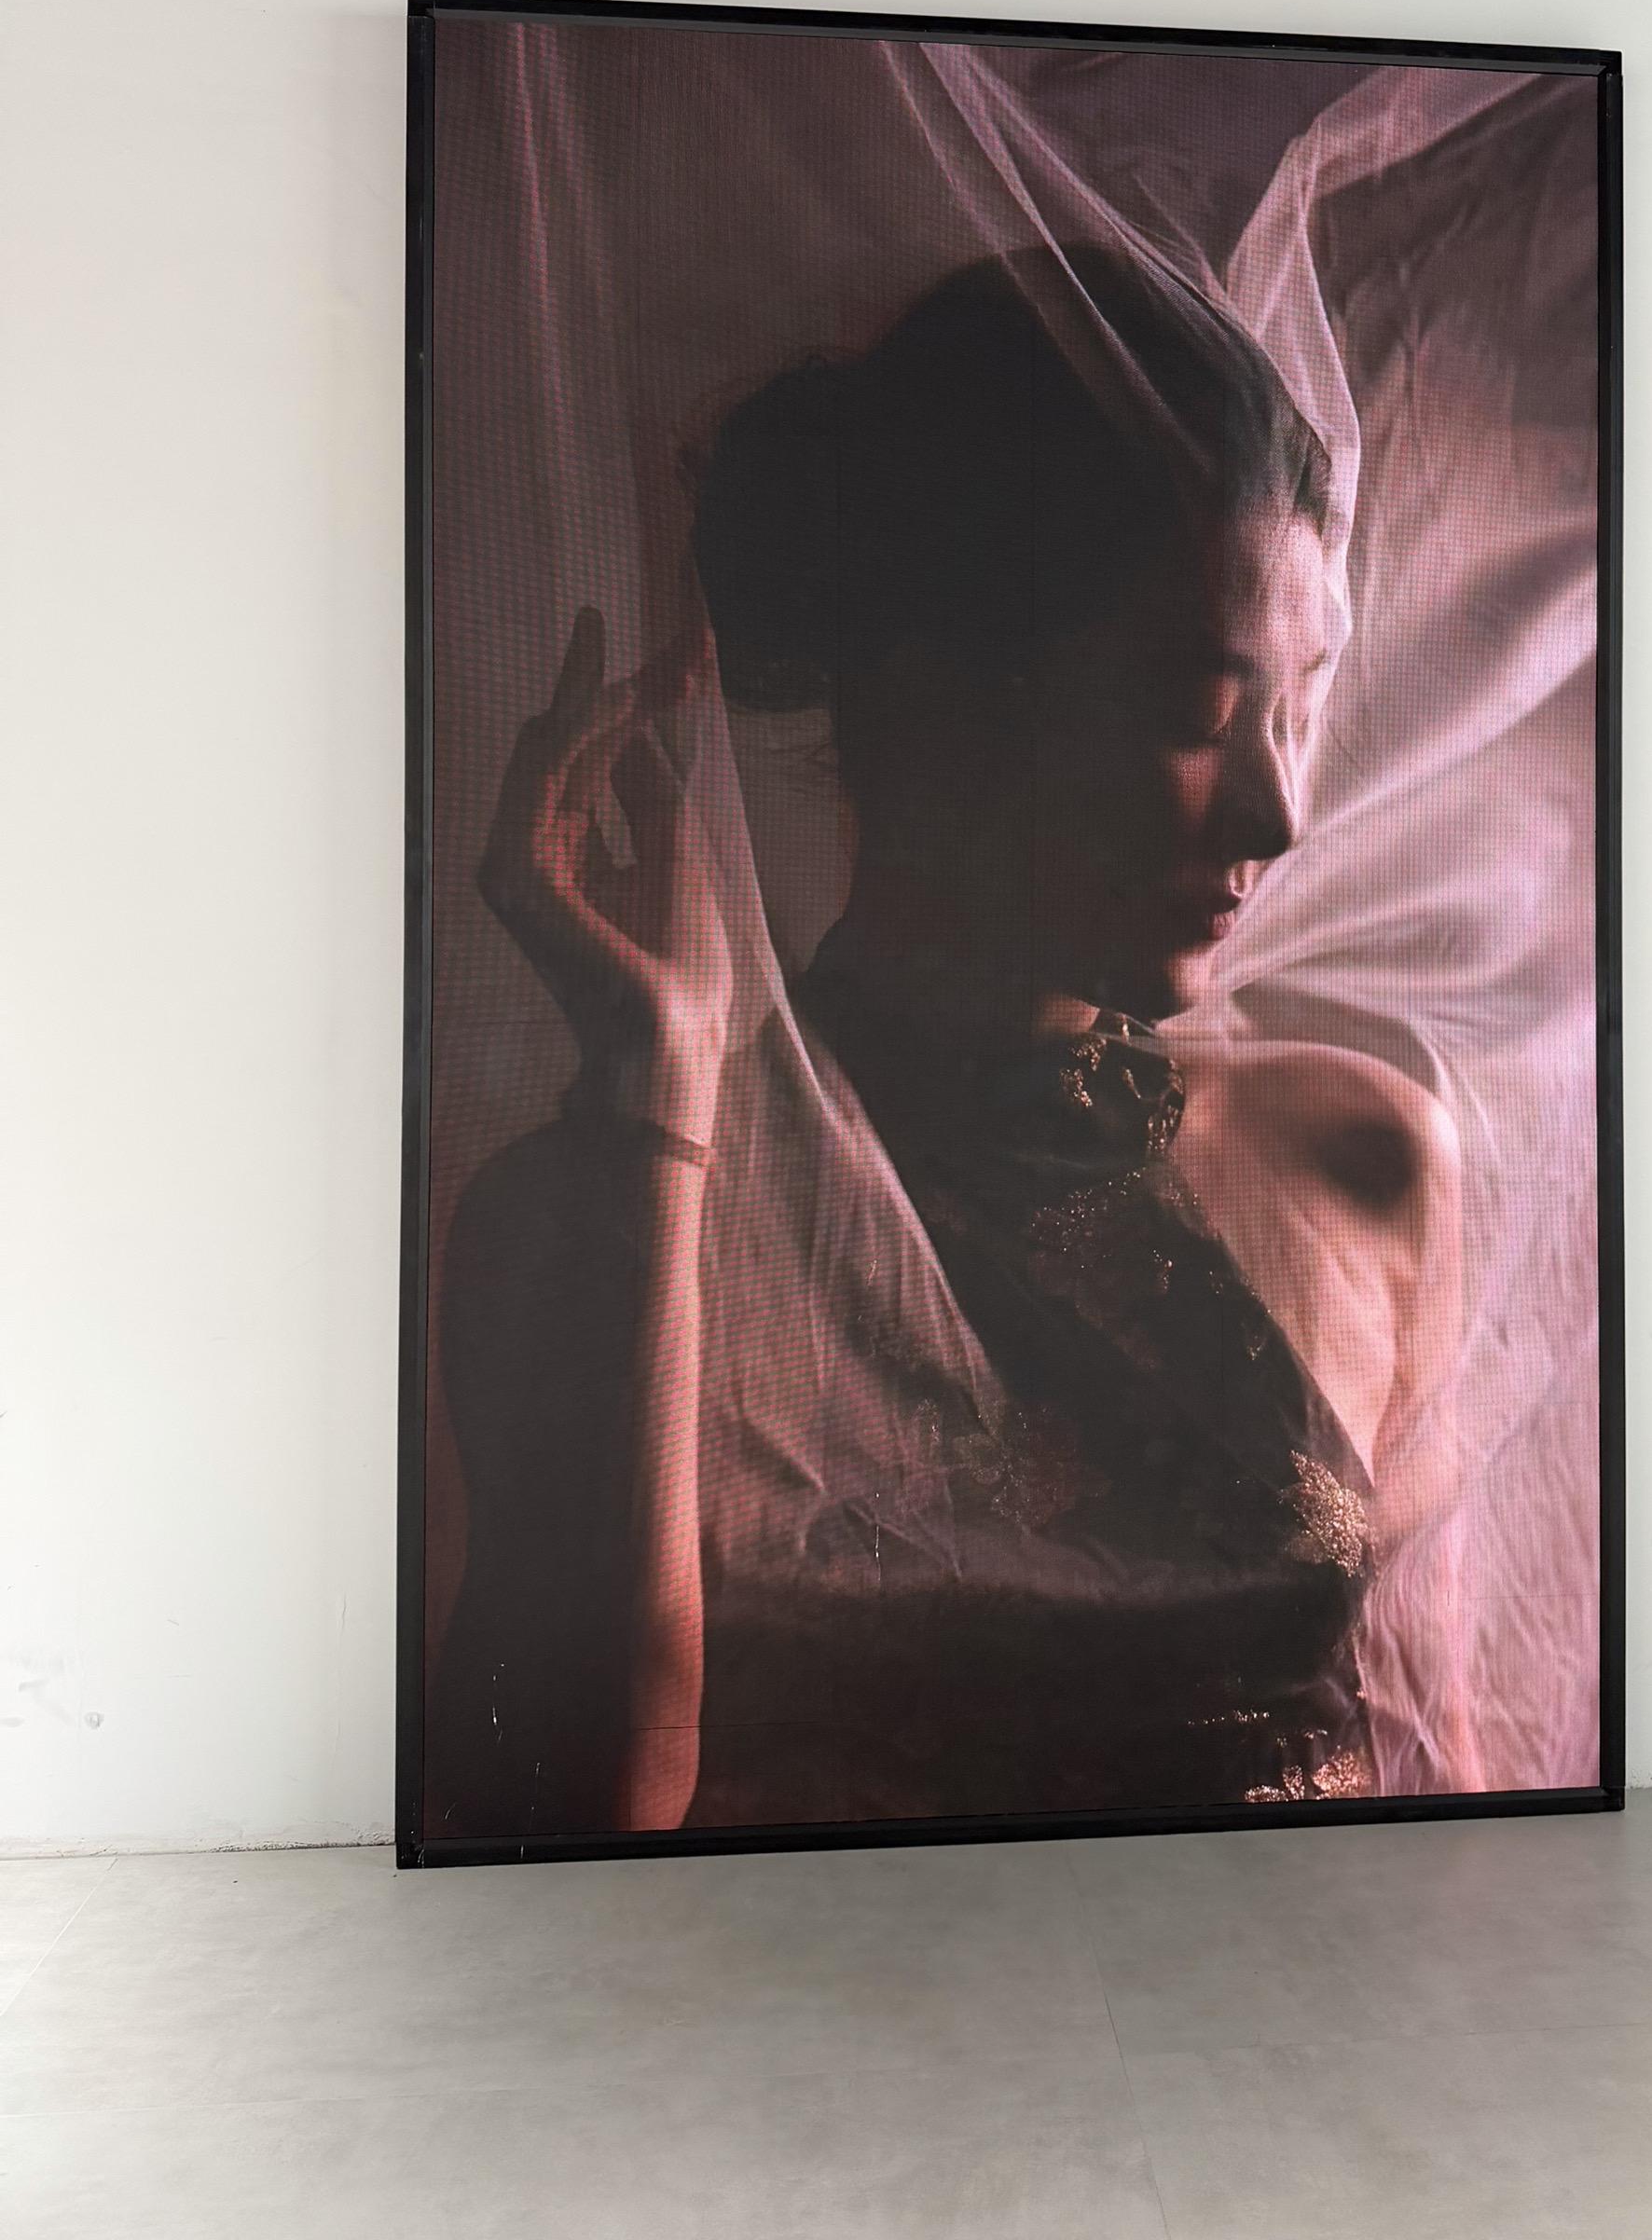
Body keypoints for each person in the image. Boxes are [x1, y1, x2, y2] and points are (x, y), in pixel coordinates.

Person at [430, 244, 1464, 1840]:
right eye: (1195, 713)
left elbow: (1441, 1767)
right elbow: (570, 1815)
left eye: (1298, 703)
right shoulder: (599, 1212)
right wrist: (656, 1088)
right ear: (935, 702)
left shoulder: (1360, 1159)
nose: (1282, 811)